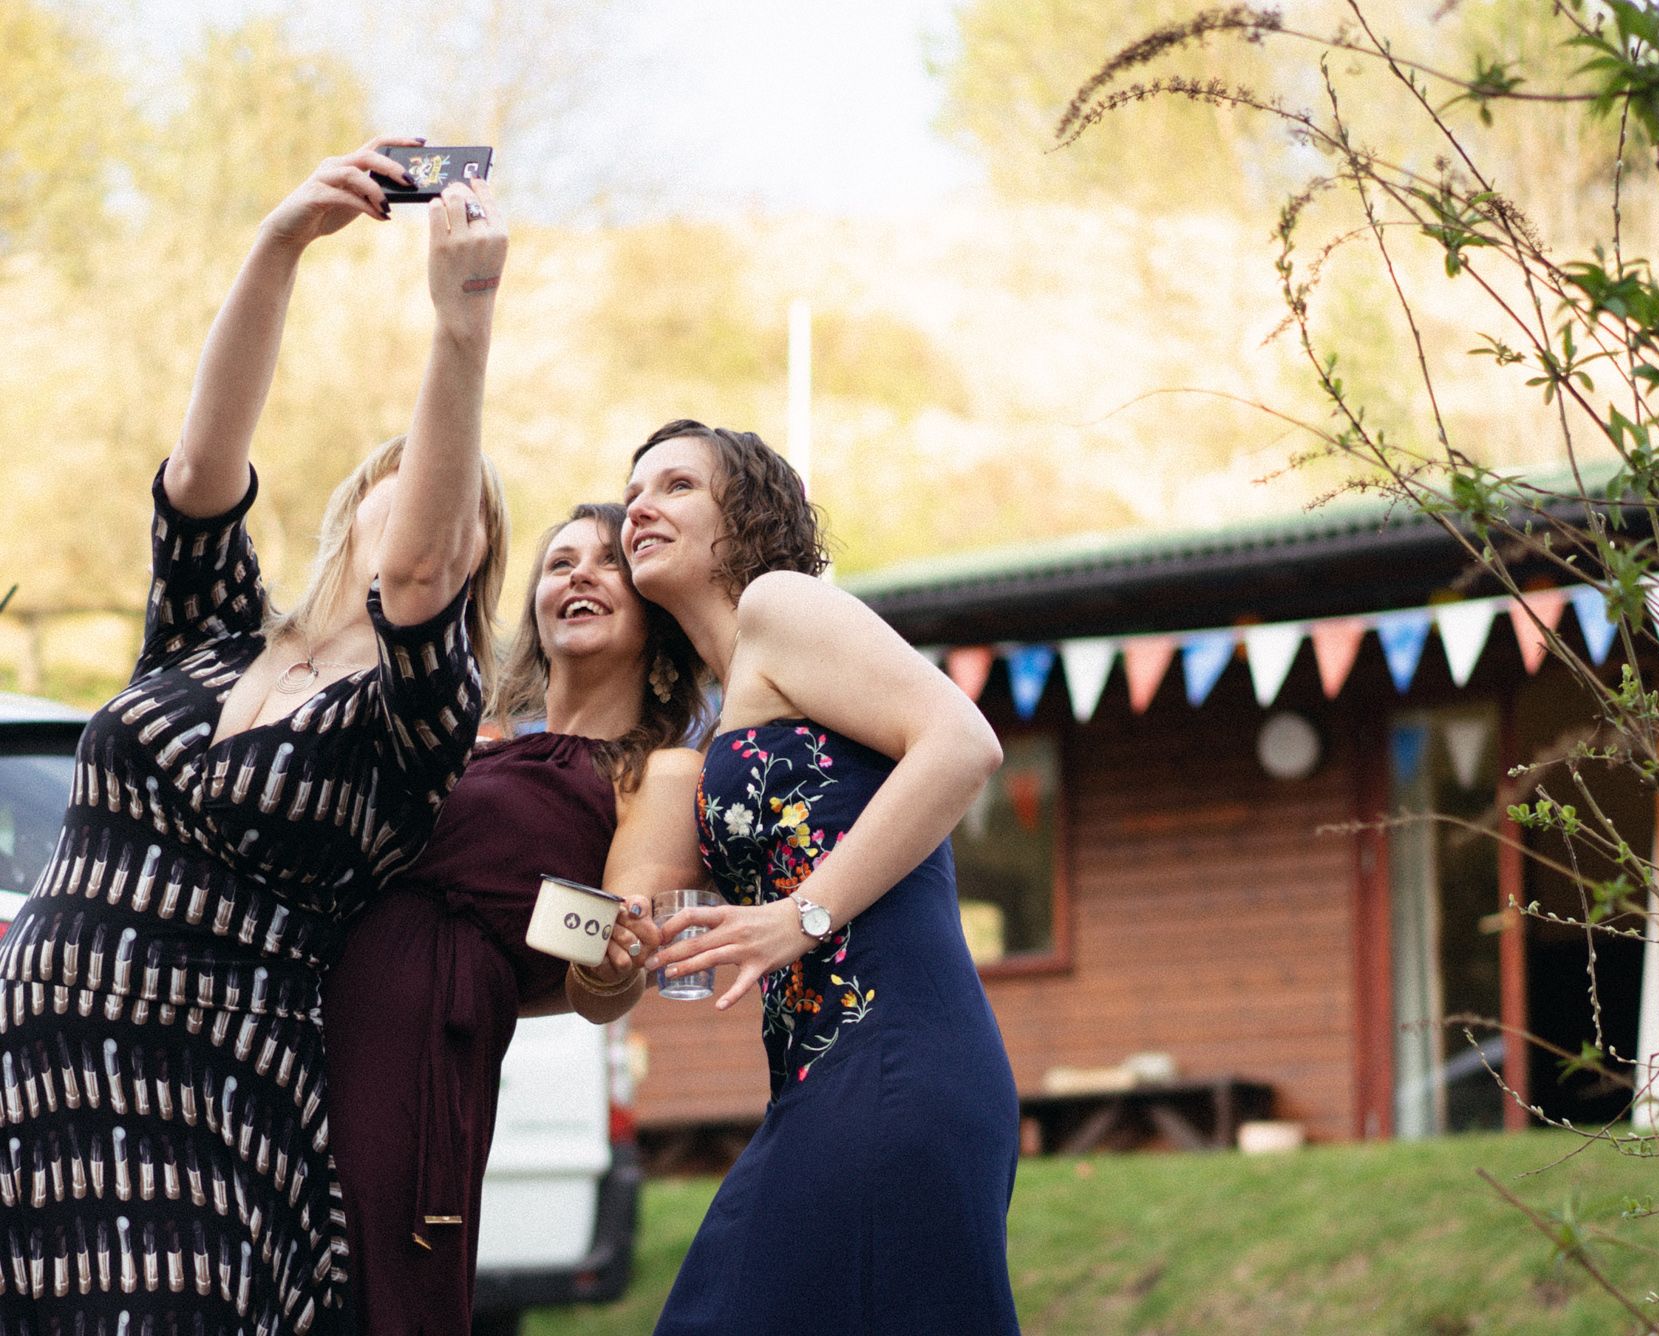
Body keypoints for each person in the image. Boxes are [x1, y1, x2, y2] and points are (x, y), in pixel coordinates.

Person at [0, 138, 509, 1336]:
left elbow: (425, 563)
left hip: (204, 1114)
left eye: (472, 504)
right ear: (348, 503)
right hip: (37, 1090)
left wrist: (463, 321)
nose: (442, 501)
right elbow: (198, 465)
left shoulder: (412, 719)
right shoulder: (208, 634)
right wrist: (280, 240)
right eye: (416, 476)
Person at [626, 420, 1021, 1335]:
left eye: (677, 485)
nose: (641, 505)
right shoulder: (723, 705)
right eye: (634, 492)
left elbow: (964, 742)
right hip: (824, 1080)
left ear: (746, 515)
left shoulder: (781, 605)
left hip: (897, 1058)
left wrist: (799, 917)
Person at [322, 503, 709, 1336]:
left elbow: (604, 970)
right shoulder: (472, 741)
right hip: (306, 1017)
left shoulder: (659, 773)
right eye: (560, 561)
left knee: (377, 1280)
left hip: (421, 1048)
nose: (578, 573)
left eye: (609, 562)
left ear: (655, 616)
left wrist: (607, 964)